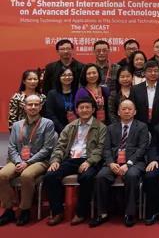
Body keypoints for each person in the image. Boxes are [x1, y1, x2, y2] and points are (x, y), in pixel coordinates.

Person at [43, 97, 107, 226]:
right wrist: (55, 160)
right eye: (81, 108)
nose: (84, 110)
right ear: (77, 110)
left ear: (93, 110)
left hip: (89, 160)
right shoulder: (70, 126)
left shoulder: (101, 127)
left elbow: (100, 148)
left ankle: (80, 212)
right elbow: (60, 146)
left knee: (86, 177)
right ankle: (57, 212)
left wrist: (89, 162)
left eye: (87, 107)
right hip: (71, 159)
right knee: (50, 175)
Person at [0, 94, 57, 226]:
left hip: (40, 161)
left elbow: (47, 149)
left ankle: (24, 210)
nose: (33, 107)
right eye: (30, 104)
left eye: (36, 104)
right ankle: (9, 209)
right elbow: (12, 147)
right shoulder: (16, 125)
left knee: (26, 175)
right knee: (2, 175)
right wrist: (18, 161)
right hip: (18, 160)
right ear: (24, 107)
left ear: (40, 107)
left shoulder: (47, 124)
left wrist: (27, 163)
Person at [90, 99, 148, 227]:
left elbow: (142, 148)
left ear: (135, 112)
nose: (127, 111)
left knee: (132, 176)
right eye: (124, 109)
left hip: (134, 162)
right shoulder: (110, 128)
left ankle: (130, 213)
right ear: (118, 112)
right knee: (101, 177)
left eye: (129, 109)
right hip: (114, 162)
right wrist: (110, 163)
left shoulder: (142, 127)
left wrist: (128, 164)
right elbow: (106, 148)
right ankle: (102, 213)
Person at [129, 60, 159, 127]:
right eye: (149, 71)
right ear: (144, 73)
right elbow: (132, 108)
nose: (153, 73)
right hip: (139, 125)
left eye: (156, 71)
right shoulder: (135, 89)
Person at [44, 67, 78, 133]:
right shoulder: (52, 94)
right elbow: (50, 114)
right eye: (63, 75)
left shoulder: (78, 92)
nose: (67, 77)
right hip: (58, 130)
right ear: (59, 77)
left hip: (77, 129)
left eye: (70, 75)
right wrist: (62, 130)